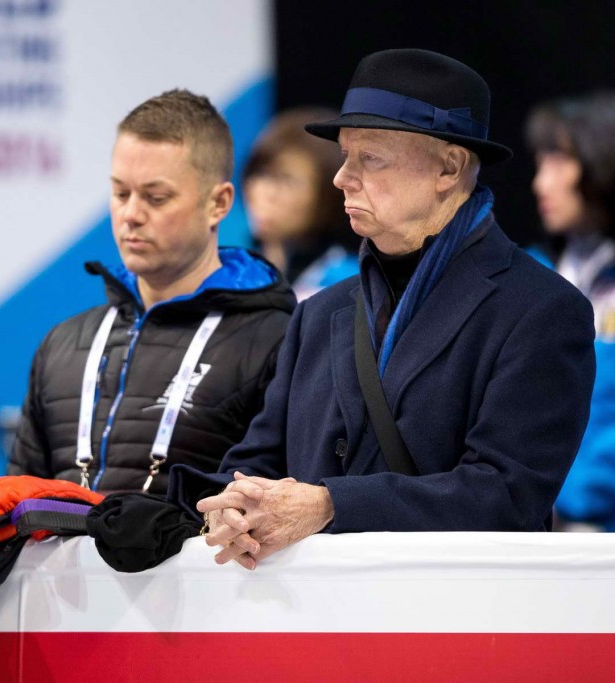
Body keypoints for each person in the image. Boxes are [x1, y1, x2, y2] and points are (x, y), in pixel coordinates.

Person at [168, 49, 596, 569]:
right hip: (303, 625)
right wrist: (228, 508)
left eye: (369, 158)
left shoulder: (542, 310)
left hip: (452, 630)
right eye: (345, 156)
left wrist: (330, 505)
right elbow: (254, 462)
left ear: (449, 167)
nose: (341, 177)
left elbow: (506, 495)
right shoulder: (319, 314)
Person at [7, 89, 296, 494]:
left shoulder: (280, 341)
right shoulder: (63, 344)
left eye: (156, 198)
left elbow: (279, 510)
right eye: (120, 193)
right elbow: (15, 507)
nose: (131, 215)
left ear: (219, 204)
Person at [526, 92, 615, 529]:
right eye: (541, 165)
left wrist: (569, 499)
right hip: (529, 532)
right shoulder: (529, 275)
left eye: (560, 163)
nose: (541, 184)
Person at [242, 107, 359, 300]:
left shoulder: (349, 285)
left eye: (286, 180)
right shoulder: (230, 270)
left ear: (328, 195)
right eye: (260, 173)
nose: (265, 192)